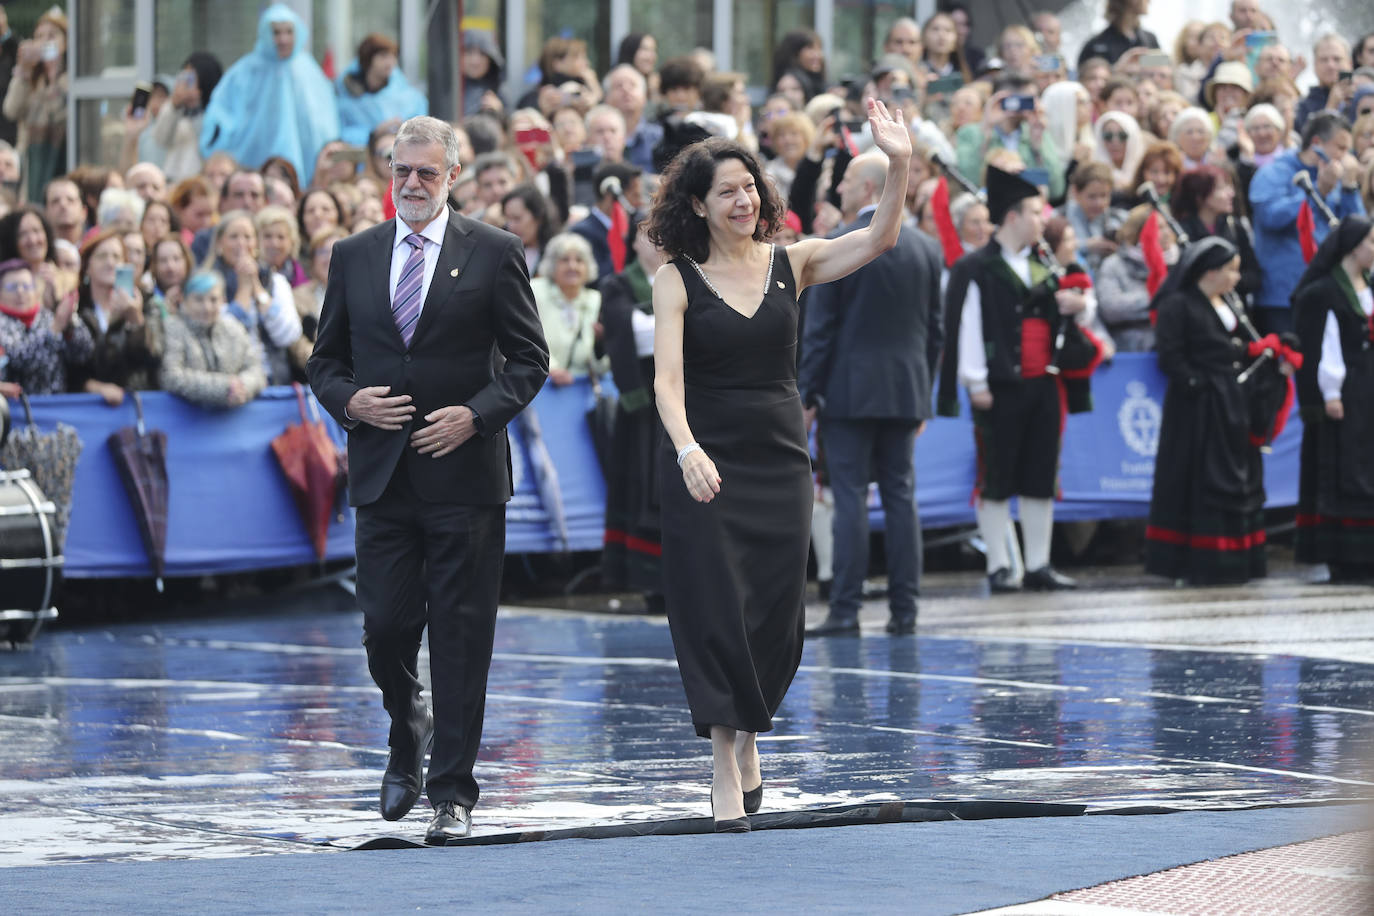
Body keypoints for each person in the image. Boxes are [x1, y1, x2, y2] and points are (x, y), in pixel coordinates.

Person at [645, 98, 911, 831]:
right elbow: (666, 383)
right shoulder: (677, 279)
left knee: (772, 610)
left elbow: (880, 238)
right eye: (726, 190)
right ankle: (724, 759)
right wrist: (687, 447)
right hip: (704, 458)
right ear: (697, 204)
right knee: (713, 607)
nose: (743, 199)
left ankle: (751, 723)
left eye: (750, 187)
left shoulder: (793, 261)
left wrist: (900, 164)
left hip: (779, 458)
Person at [308, 115, 549, 844]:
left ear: (452, 177)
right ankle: (406, 721)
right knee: (384, 630)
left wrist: (476, 417)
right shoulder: (353, 255)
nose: (412, 184)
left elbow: (530, 361)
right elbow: (324, 362)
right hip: (383, 476)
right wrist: (348, 402)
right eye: (402, 171)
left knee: (461, 637)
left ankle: (452, 793)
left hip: (465, 477)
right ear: (389, 173)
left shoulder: (496, 252)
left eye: (427, 173)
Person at [798, 150, 944, 638]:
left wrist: (806, 397)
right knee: (902, 498)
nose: (837, 189)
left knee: (850, 498)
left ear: (866, 190)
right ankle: (906, 611)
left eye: (844, 182)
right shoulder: (926, 246)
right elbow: (935, 331)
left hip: (848, 392)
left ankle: (845, 610)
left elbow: (820, 332)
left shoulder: (836, 245)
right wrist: (922, 389)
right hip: (905, 391)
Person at [938, 166, 1101, 594]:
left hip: (1044, 384)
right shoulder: (976, 266)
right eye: (1034, 212)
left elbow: (1085, 306)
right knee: (996, 476)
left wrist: (1076, 304)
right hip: (999, 387)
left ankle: (1038, 564)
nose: (1042, 220)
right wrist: (975, 383)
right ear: (1012, 216)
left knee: (1040, 474)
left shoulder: (1042, 263)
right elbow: (966, 326)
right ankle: (999, 565)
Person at [1145, 238, 1294, 584]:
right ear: (1210, 271)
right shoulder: (1177, 305)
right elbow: (1170, 355)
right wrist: (1196, 384)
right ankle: (1196, 562)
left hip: (1233, 403)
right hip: (1197, 409)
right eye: (1231, 269)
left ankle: (1237, 559)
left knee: (1237, 476)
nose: (1237, 278)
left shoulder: (1231, 303)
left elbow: (1244, 347)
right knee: (1200, 479)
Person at [1291, 216, 1374, 581]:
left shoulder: (1369, 286)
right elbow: (1324, 345)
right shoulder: (1323, 292)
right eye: (1372, 242)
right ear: (1354, 247)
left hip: (1369, 389)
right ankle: (1345, 553)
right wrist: (1330, 392)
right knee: (1345, 467)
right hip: (1346, 392)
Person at [598, 221, 666, 607]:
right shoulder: (619, 285)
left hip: (684, 401)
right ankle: (650, 580)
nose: (655, 241)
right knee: (644, 486)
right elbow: (632, 335)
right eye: (646, 234)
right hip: (641, 405)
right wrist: (673, 323)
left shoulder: (689, 274)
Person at [1250, 112, 1365, 335]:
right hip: (1282, 295)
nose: (1346, 157)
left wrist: (1350, 188)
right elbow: (1271, 217)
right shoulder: (1273, 173)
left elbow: (1357, 234)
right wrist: (1318, 191)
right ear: (1316, 143)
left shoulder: (1336, 176)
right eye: (1340, 148)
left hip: (1327, 290)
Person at [201, 4, 340, 186]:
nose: (283, 40)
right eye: (276, 33)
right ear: (265, 34)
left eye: (289, 32)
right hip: (251, 173)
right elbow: (221, 114)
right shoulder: (246, 71)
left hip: (308, 177)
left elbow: (326, 122)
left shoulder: (310, 73)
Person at [205, 209, 302, 386]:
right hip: (230, 385)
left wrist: (256, 287)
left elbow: (288, 335)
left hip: (275, 382)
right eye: (234, 237)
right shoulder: (207, 284)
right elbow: (223, 337)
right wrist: (243, 289)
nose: (241, 244)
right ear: (220, 243)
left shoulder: (276, 281)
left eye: (248, 237)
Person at [74, 231, 163, 405]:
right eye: (102, 256)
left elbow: (155, 358)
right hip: (87, 407)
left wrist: (136, 321)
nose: (110, 262)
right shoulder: (76, 307)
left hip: (136, 405)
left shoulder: (146, 302)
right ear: (87, 266)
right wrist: (94, 386)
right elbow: (69, 366)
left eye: (116, 256)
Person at [160, 270, 266, 409]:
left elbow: (256, 369)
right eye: (198, 299)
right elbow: (170, 376)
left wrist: (243, 387)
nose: (207, 307)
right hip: (184, 421)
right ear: (184, 300)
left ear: (223, 300)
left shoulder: (233, 328)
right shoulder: (172, 327)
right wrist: (224, 387)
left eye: (213, 300)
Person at [0, 256, 90, 397]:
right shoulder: (2, 323)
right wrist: (54, 329)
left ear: (36, 290)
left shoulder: (48, 316)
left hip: (54, 408)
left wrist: (70, 324)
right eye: (12, 287)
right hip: (16, 411)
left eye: (26, 286)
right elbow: (20, 359)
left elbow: (83, 353)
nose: (20, 292)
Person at [3, 8, 66, 204]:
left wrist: (54, 75)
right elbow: (11, 110)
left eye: (51, 35)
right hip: (32, 166)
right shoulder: (32, 79)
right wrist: (23, 71)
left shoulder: (70, 80)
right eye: (39, 36)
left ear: (66, 42)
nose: (45, 41)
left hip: (60, 159)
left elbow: (59, 115)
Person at [1172, 166, 1261, 304]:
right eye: (1221, 188)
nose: (1231, 193)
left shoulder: (1235, 227)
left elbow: (1253, 275)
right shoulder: (1181, 232)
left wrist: (1226, 281)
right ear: (1200, 196)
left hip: (1234, 309)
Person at [1096, 203, 1178, 352]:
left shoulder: (1181, 264)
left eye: (1168, 225)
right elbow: (1110, 308)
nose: (1167, 233)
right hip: (1131, 350)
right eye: (1159, 227)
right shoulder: (1114, 265)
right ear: (1139, 232)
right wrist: (1158, 296)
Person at [531, 232, 607, 385]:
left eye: (579, 260)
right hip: (539, 387)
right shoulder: (535, 291)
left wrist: (601, 345)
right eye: (564, 260)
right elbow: (526, 339)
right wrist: (552, 369)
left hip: (579, 390)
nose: (573, 266)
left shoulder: (595, 300)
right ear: (552, 265)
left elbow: (602, 367)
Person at [337, 34, 427, 147]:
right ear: (368, 59)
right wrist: (374, 133)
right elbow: (340, 133)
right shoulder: (347, 97)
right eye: (383, 56)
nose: (390, 62)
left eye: (393, 56)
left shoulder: (409, 97)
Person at [153, 52, 222, 182]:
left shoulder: (217, 114)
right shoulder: (176, 111)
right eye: (183, 77)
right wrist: (174, 106)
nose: (185, 83)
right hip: (173, 182)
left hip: (201, 182)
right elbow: (160, 138)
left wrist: (196, 106)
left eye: (191, 79)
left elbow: (208, 145)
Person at [570, 161, 642, 280]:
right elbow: (599, 278)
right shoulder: (582, 233)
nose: (639, 203)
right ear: (611, 195)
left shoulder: (633, 230)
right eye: (634, 196)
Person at [1077, 0, 1160, 70]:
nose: (1149, 1)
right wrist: (1117, 69)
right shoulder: (1096, 45)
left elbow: (1164, 68)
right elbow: (1085, 78)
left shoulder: (1150, 39)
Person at [501, 184, 557, 275]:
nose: (511, 226)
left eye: (517, 218)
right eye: (507, 219)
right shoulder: (503, 254)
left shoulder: (557, 254)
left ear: (538, 217)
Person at [458, 30, 504, 119]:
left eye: (482, 54)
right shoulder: (446, 91)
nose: (475, 61)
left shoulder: (500, 92)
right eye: (469, 52)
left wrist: (500, 113)